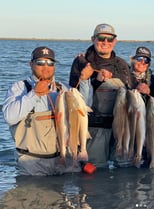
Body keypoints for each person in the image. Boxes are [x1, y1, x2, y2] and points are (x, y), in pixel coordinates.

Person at [69, 23, 133, 168]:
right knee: (94, 175)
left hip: (120, 128)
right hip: (94, 129)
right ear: (93, 39)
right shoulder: (81, 62)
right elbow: (74, 99)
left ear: (115, 41)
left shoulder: (121, 64)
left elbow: (130, 93)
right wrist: (94, 82)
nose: (105, 42)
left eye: (109, 39)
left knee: (123, 172)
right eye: (101, 38)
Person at [2, 46, 69, 175]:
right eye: (40, 62)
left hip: (62, 161)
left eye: (50, 63)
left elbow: (84, 112)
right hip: (31, 165)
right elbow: (10, 118)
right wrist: (34, 94)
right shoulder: (20, 88)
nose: (46, 66)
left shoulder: (64, 88)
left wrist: (85, 81)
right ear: (31, 64)